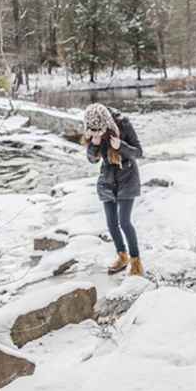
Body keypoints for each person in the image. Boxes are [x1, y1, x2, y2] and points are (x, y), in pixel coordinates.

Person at [83, 103, 145, 276]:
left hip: (127, 178)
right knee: (111, 223)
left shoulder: (123, 124)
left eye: (99, 131)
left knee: (124, 222)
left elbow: (139, 152)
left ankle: (136, 261)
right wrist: (94, 144)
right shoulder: (92, 128)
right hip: (107, 180)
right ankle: (122, 256)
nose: (97, 134)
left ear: (107, 125)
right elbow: (92, 159)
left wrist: (121, 146)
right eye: (92, 131)